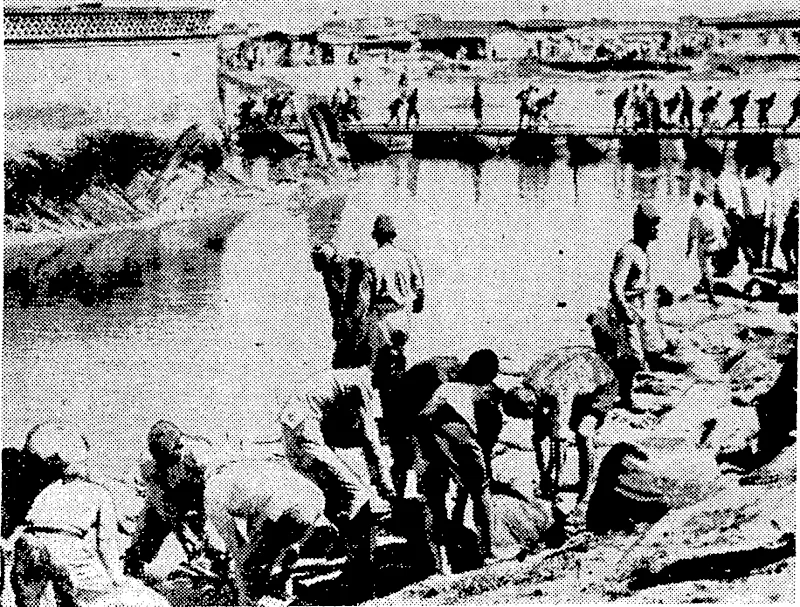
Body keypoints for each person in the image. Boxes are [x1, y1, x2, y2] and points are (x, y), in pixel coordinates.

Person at [11, 428, 168, 607]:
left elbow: (24, 522)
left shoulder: (46, 490)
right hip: (67, 548)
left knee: (29, 602)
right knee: (102, 599)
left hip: (30, 543)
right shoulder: (99, 493)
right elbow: (106, 543)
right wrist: (117, 578)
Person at [279, 367, 394, 598]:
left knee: (335, 503)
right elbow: (370, 439)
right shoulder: (362, 385)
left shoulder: (347, 378)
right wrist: (386, 485)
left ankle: (349, 565)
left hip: (294, 436)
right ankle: (361, 577)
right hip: (305, 437)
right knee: (358, 497)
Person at [414, 349, 503, 574]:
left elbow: (423, 415)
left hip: (439, 449)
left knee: (438, 502)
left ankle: (441, 562)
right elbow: (492, 429)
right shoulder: (487, 392)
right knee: (480, 495)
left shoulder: (448, 389)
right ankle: (487, 551)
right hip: (467, 448)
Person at [204, 459, 331, 604]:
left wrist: (242, 592)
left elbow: (236, 548)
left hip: (284, 507)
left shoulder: (213, 494)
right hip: (314, 498)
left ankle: (265, 589)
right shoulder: (245, 467)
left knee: (255, 557)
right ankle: (279, 581)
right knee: (279, 547)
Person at [124, 421, 216, 578]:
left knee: (212, 539)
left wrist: (203, 535)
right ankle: (133, 569)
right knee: (145, 533)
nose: (165, 462)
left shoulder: (200, 454)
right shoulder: (149, 465)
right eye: (161, 459)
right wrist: (182, 532)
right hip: (169, 496)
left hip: (200, 496)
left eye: (169, 456)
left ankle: (217, 564)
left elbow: (214, 496)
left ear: (179, 445)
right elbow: (161, 504)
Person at [606, 206, 661, 408]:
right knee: (631, 355)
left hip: (640, 307)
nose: (656, 230)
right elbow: (615, 285)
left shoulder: (642, 251)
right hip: (627, 308)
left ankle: (625, 396)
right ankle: (624, 397)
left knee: (639, 354)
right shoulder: (628, 252)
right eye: (653, 226)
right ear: (641, 227)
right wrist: (625, 309)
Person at [366, 214, 424, 365]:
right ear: (393, 235)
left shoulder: (371, 260)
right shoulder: (408, 257)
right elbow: (419, 289)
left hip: (381, 315)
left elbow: (367, 294)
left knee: (382, 361)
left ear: (376, 236)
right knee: (400, 357)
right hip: (403, 314)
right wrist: (415, 303)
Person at [311, 243, 373, 369]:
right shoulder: (328, 271)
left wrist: (343, 315)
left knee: (354, 332)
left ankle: (357, 360)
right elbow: (334, 297)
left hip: (355, 305)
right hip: (348, 307)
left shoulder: (341, 266)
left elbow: (346, 293)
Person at [687, 191, 728, 306]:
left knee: (706, 270)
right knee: (714, 268)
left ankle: (711, 295)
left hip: (706, 244)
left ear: (697, 200)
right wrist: (724, 240)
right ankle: (714, 289)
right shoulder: (716, 210)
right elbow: (727, 228)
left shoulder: (696, 213)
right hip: (720, 244)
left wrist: (689, 249)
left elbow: (691, 235)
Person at [781, 198, 799, 276]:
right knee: (784, 247)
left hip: (795, 235)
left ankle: (794, 268)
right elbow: (786, 225)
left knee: (796, 252)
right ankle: (791, 266)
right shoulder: (791, 213)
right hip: (790, 235)